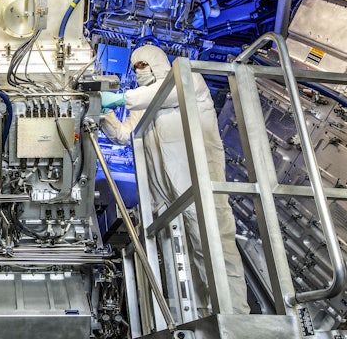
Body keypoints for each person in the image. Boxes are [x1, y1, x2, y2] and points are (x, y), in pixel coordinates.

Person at [99, 44, 250, 316]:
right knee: (186, 264)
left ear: (157, 62)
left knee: (216, 252)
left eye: (143, 65)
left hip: (199, 188)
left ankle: (236, 319)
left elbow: (164, 94)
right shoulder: (142, 104)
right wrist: (100, 112)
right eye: (135, 68)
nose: (138, 71)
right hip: (166, 199)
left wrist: (119, 98)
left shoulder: (187, 79)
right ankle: (204, 319)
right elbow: (125, 135)